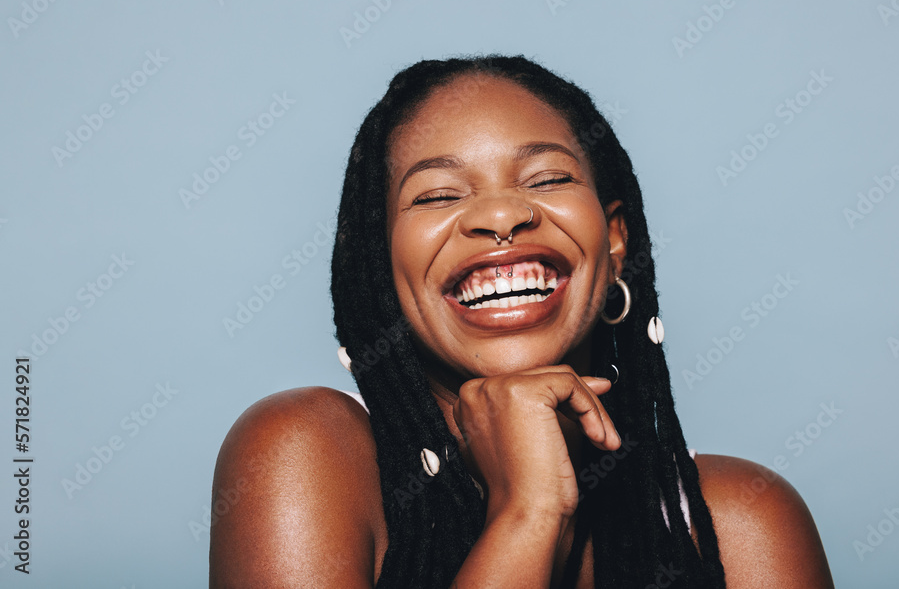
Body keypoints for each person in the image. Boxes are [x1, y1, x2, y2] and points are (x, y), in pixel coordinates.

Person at [209, 55, 835, 588]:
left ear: (615, 242)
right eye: (438, 194)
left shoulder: (741, 525)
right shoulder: (307, 454)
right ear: (381, 267)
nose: (502, 215)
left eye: (548, 178)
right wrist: (529, 513)